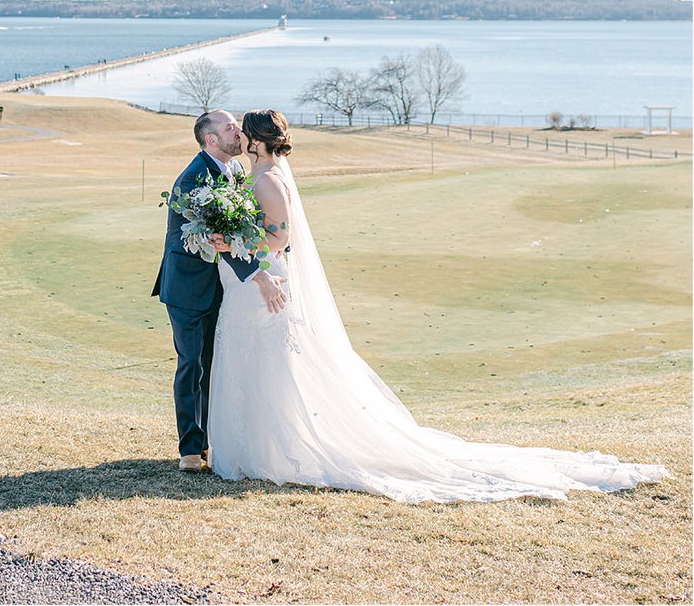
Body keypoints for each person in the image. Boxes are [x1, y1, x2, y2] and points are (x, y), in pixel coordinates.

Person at [207, 109, 670, 503]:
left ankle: (274, 449)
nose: (239, 136)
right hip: (254, 284)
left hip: (267, 282)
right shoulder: (259, 174)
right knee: (263, 361)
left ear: (256, 140)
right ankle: (261, 445)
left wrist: (233, 241)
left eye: (243, 131)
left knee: (272, 361)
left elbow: (279, 238)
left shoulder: (269, 180)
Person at [152, 109, 287, 472]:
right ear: (211, 139)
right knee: (192, 364)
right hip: (187, 286)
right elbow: (219, 239)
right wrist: (261, 276)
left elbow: (240, 231)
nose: (238, 131)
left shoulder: (236, 170)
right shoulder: (194, 179)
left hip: (222, 286)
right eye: (230, 127)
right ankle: (190, 450)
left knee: (215, 364)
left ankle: (213, 442)